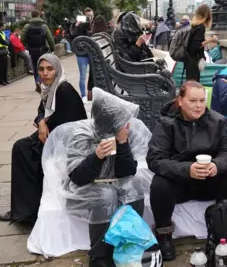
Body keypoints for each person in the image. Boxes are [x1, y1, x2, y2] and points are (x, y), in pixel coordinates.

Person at [36, 88, 157, 267]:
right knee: (105, 195)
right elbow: (77, 177)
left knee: (133, 188)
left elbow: (128, 171)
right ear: (109, 121)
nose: (128, 125)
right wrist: (96, 156)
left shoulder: (122, 134)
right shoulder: (82, 135)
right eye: (123, 122)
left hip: (113, 183)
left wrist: (122, 144)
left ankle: (130, 243)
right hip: (80, 190)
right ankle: (99, 256)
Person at [147, 81, 227, 261]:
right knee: (159, 184)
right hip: (180, 181)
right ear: (180, 100)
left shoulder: (217, 121)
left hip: (209, 179)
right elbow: (155, 159)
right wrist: (186, 169)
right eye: (193, 101)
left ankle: (224, 228)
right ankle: (164, 233)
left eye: (202, 101)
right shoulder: (167, 123)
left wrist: (217, 165)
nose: (198, 106)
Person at [0, 54, 87, 224]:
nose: (45, 73)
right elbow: (41, 112)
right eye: (41, 69)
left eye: (49, 69)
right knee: (21, 147)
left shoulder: (64, 91)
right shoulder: (49, 89)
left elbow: (67, 127)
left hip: (67, 145)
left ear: (57, 70)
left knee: (23, 150)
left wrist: (44, 125)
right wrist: (41, 122)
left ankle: (28, 210)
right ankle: (23, 208)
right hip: (52, 137)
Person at [22, 10, 56, 92]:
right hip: (42, 50)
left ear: (31, 16)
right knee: (42, 66)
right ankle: (39, 81)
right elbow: (50, 38)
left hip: (32, 50)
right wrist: (52, 48)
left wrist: (24, 46)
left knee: (35, 67)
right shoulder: (44, 26)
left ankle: (37, 82)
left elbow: (22, 38)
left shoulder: (27, 26)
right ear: (39, 16)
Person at [184, 5, 218, 82]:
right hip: (194, 61)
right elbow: (196, 46)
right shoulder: (201, 27)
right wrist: (211, 40)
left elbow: (194, 42)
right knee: (194, 85)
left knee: (190, 83)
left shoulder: (194, 26)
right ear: (207, 15)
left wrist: (205, 39)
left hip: (188, 60)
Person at [85, 16, 109, 102]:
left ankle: (90, 101)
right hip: (106, 65)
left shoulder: (90, 35)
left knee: (92, 76)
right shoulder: (107, 35)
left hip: (94, 65)